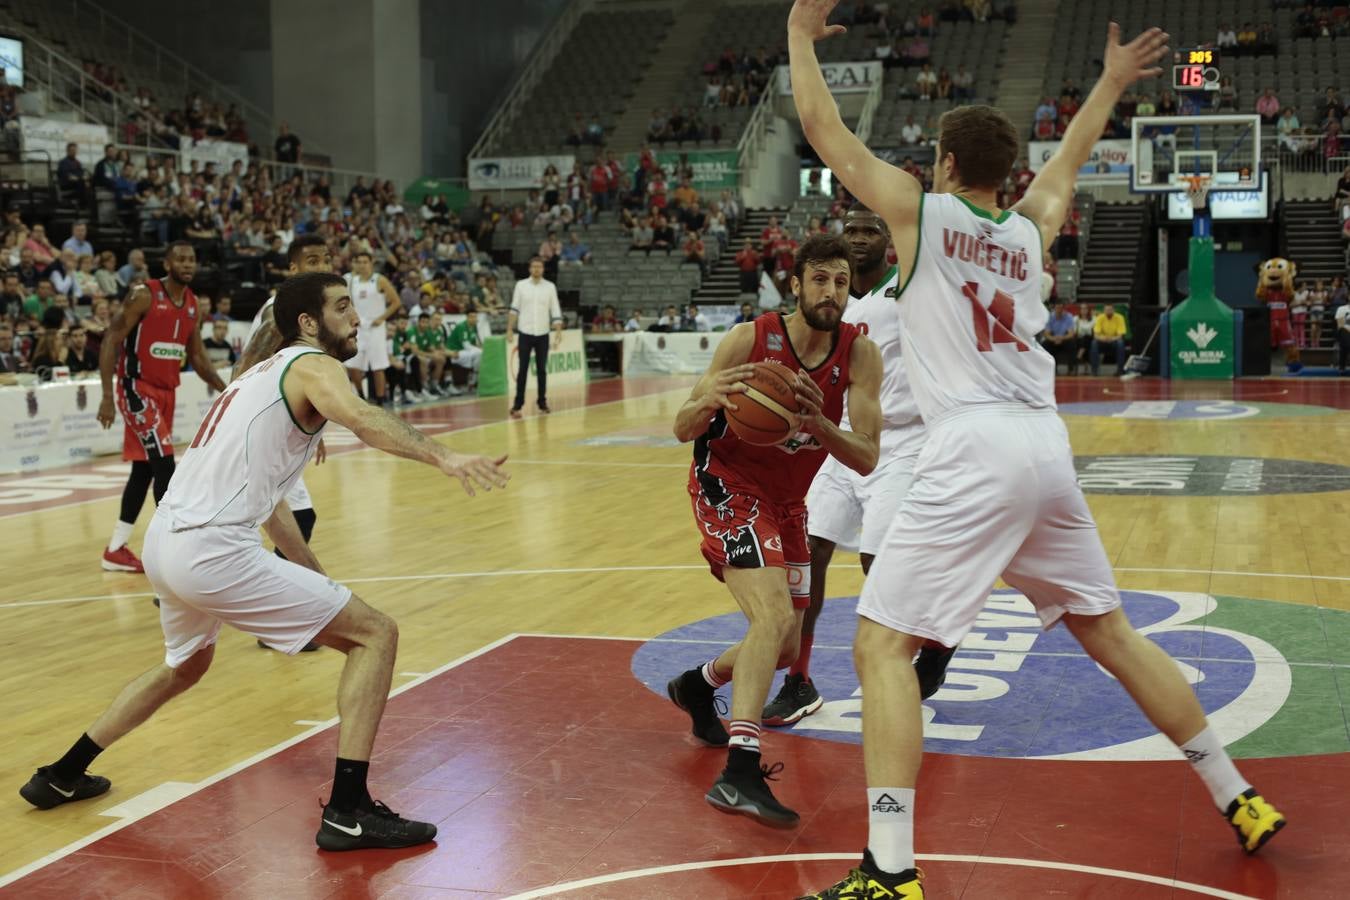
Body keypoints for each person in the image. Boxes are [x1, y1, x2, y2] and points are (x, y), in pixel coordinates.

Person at [788, 5, 1284, 896]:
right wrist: (1110, 83)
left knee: (880, 649)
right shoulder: (1029, 230)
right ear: (1003, 171)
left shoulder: (920, 213)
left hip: (970, 445)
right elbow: (1067, 163)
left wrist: (796, 31)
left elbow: (822, 129)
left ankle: (889, 871)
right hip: (1046, 447)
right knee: (1111, 630)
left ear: (944, 165)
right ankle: (1235, 791)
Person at [20, 272, 509, 851]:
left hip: (168, 542)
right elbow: (362, 419)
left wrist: (313, 573)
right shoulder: (312, 365)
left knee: (185, 667)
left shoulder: (257, 378)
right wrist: (444, 455)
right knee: (377, 635)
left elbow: (272, 504)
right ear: (308, 323)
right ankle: (348, 812)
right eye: (342, 307)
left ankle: (63, 774)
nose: (356, 318)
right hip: (211, 549)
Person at [667, 233, 883, 828]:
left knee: (787, 644)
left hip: (789, 501)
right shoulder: (751, 338)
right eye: (820, 279)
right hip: (727, 483)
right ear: (796, 284)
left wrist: (819, 421)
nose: (832, 291)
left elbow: (866, 456)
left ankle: (697, 683)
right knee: (772, 619)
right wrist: (707, 395)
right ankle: (739, 769)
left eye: (841, 281)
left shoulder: (859, 354)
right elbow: (684, 428)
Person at [762, 205, 948, 729]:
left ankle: (936, 637)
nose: (861, 239)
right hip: (837, 436)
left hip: (904, 440)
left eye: (871, 231)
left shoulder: (911, 286)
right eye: (853, 232)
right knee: (809, 556)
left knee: (877, 563)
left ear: (889, 240)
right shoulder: (831, 300)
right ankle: (798, 679)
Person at [98, 242, 227, 574]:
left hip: (167, 392)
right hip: (136, 388)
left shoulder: (192, 305)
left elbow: (197, 356)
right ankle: (171, 550)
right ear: (167, 262)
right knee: (165, 466)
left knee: (143, 470)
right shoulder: (144, 294)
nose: (187, 264)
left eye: (192, 259)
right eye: (180, 259)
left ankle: (115, 549)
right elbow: (112, 339)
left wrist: (227, 390)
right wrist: (107, 396)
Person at [234, 235, 336, 650]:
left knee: (298, 520)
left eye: (324, 260)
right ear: (292, 269)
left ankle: (274, 617)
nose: (319, 266)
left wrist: (311, 429)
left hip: (283, 429)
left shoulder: (311, 311)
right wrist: (238, 422)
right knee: (292, 521)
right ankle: (274, 619)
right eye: (310, 260)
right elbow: (245, 368)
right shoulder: (279, 311)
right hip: (261, 430)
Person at [506, 257, 563, 419]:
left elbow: (555, 309)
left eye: (539, 266)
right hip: (525, 333)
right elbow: (514, 308)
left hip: (543, 334)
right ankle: (518, 404)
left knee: (542, 370)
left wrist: (558, 330)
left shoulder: (550, 287)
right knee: (522, 369)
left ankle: (542, 401)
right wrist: (510, 329)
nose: (537, 269)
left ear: (543, 269)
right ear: (530, 269)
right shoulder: (521, 285)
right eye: (534, 266)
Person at [344, 251, 403, 403]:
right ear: (355, 264)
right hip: (359, 326)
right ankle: (361, 396)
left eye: (365, 262)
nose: (362, 265)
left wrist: (381, 318)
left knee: (378, 366)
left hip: (376, 327)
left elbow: (396, 302)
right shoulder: (351, 281)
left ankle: (380, 399)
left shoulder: (379, 280)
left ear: (371, 263)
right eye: (359, 262)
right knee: (353, 365)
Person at [1090, 303, 1127, 375]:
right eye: (1106, 310)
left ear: (1114, 310)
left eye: (1110, 309)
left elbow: (1120, 335)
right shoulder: (1100, 317)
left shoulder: (1120, 317)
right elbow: (1096, 335)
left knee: (1120, 343)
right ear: (1104, 310)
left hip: (1114, 341)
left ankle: (1120, 370)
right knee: (1094, 343)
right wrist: (1103, 338)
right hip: (1102, 341)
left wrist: (1112, 339)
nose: (1108, 311)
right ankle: (1094, 370)